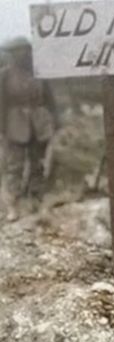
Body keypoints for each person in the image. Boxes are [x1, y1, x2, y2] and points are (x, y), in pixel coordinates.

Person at [0, 36, 58, 216]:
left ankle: (35, 200)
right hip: (14, 124)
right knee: (14, 166)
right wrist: (2, 128)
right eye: (16, 51)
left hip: (39, 123)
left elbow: (50, 100)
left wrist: (55, 121)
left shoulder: (39, 72)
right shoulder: (5, 75)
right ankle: (13, 204)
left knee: (38, 163)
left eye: (24, 50)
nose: (21, 54)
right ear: (11, 54)